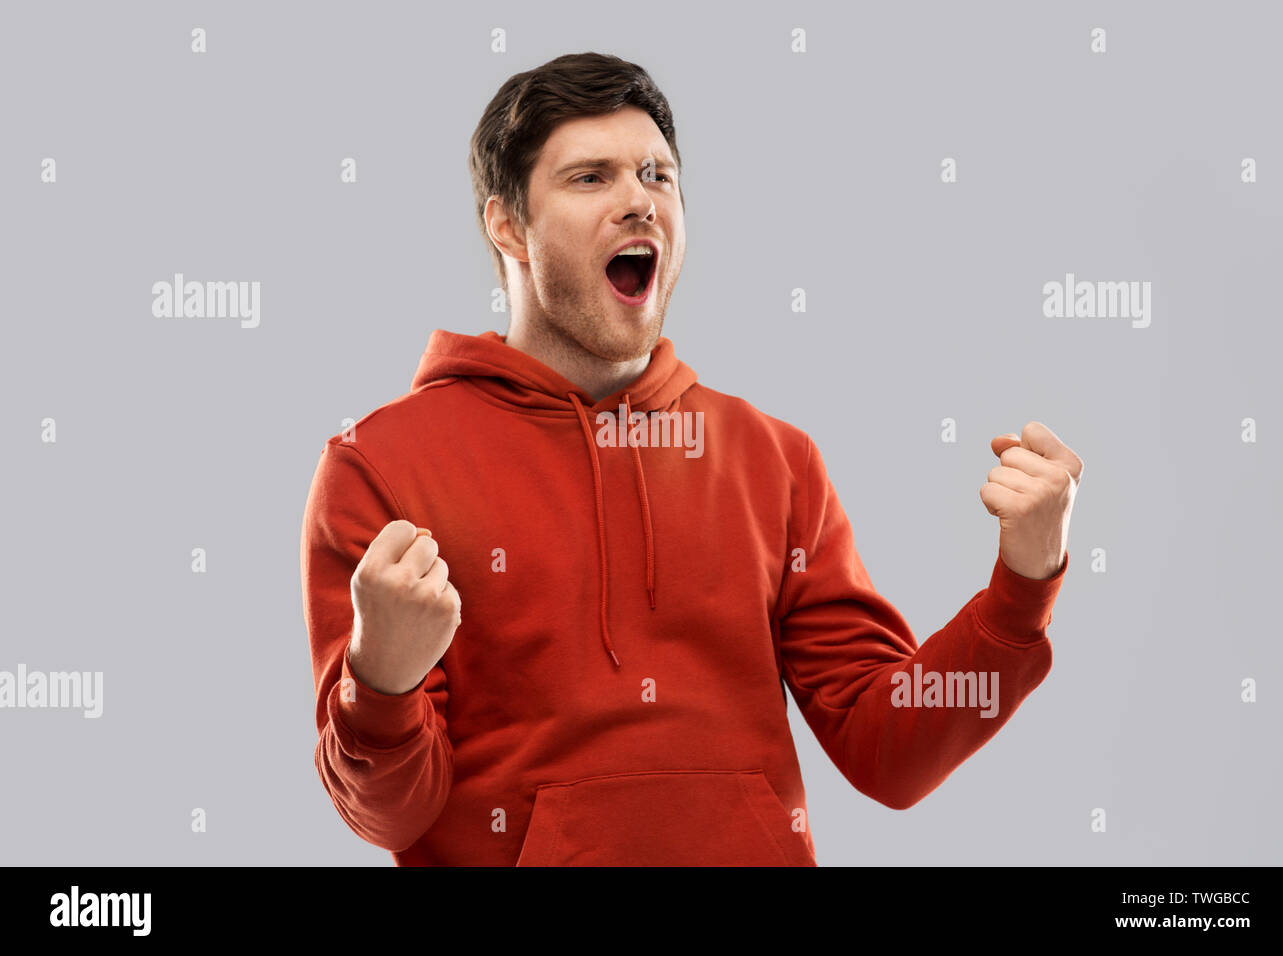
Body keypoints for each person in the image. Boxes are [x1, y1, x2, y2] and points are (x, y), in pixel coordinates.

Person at [299, 51, 1082, 866]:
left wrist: (1024, 586)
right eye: (591, 178)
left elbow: (891, 751)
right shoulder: (381, 465)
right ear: (507, 226)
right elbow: (389, 817)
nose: (638, 200)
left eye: (656, 175)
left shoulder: (772, 459)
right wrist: (379, 679)